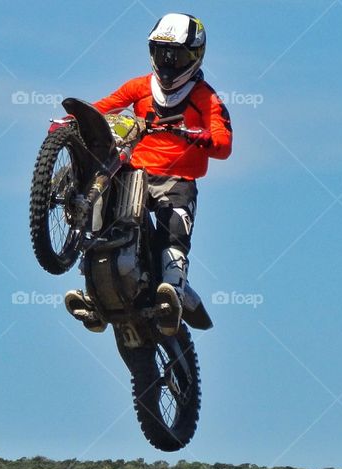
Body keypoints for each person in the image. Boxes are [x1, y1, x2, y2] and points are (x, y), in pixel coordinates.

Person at [65, 12, 233, 336]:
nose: (169, 63)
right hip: (136, 173)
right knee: (102, 206)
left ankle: (172, 293)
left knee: (175, 226)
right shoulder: (139, 86)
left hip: (177, 180)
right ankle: (94, 290)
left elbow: (224, 143)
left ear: (195, 56)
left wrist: (196, 135)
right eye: (162, 53)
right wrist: (70, 125)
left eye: (178, 56)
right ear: (152, 51)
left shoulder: (206, 98)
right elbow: (103, 108)